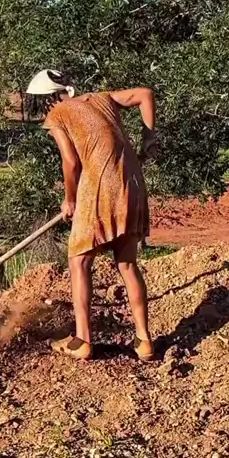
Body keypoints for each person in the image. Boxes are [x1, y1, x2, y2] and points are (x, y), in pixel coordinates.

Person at [25, 69, 158, 363]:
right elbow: (145, 94)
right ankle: (144, 341)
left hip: (101, 187)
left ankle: (82, 341)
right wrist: (149, 139)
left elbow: (71, 162)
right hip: (132, 185)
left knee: (79, 261)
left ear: (44, 100)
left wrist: (70, 199)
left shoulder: (57, 114)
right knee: (127, 264)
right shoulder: (101, 98)